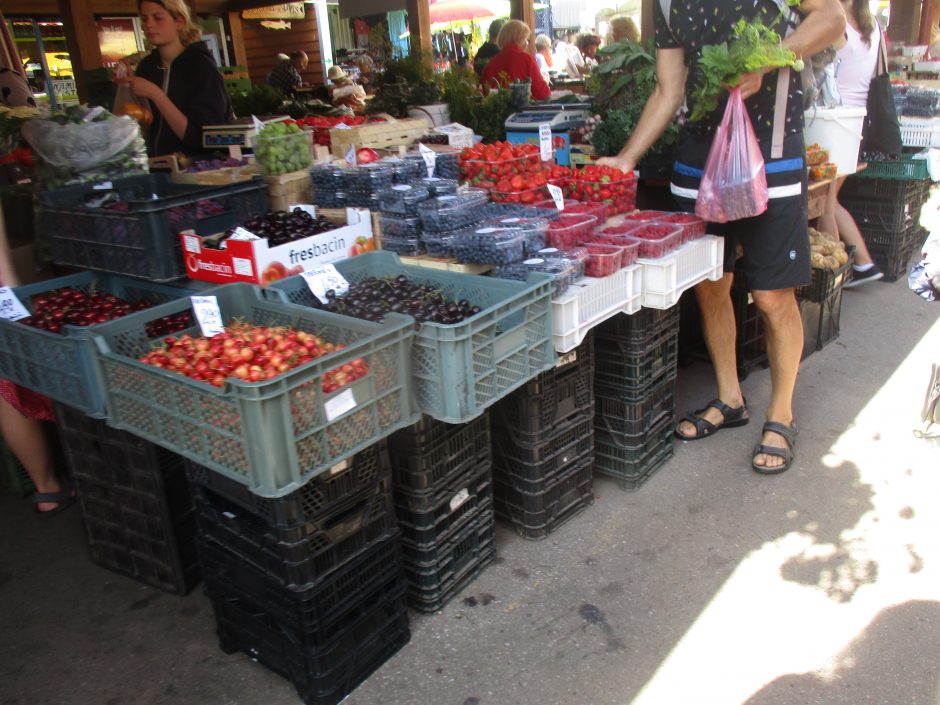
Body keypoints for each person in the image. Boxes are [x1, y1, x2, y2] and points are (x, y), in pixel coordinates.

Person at [598, 0, 845, 474]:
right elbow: (668, 89)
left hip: (771, 159)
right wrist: (626, 158)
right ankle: (730, 398)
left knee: (772, 296)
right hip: (698, 163)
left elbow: (831, 18)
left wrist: (769, 57)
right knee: (712, 284)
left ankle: (781, 412)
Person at [817, 0, 884, 286]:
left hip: (834, 125)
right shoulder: (874, 27)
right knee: (830, 202)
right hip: (857, 125)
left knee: (825, 206)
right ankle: (865, 264)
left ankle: (831, 282)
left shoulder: (837, 20)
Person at [131, 0, 233, 156]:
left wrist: (156, 94)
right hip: (158, 170)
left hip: (199, 171)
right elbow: (138, 124)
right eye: (144, 19)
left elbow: (201, 138)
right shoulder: (146, 68)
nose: (149, 25)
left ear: (179, 22)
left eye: (157, 18)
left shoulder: (201, 67)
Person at [481, 20, 551, 101]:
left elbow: (486, 94)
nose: (527, 44)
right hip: (523, 111)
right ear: (520, 40)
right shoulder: (527, 60)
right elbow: (542, 94)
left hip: (497, 111)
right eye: (526, 40)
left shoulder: (490, 64)